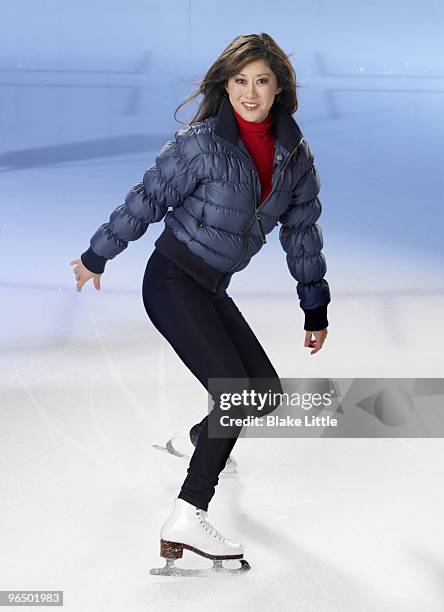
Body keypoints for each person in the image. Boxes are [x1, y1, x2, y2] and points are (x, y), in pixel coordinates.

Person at [70, 32, 330, 576]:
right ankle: (188, 513)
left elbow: (302, 232)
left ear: (280, 86)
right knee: (235, 395)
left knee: (262, 395)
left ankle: (197, 438)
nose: (250, 92)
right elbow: (147, 197)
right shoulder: (202, 142)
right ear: (225, 84)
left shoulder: (294, 156)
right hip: (171, 281)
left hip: (212, 287)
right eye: (240, 81)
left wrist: (314, 307)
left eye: (262, 80)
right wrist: (97, 254)